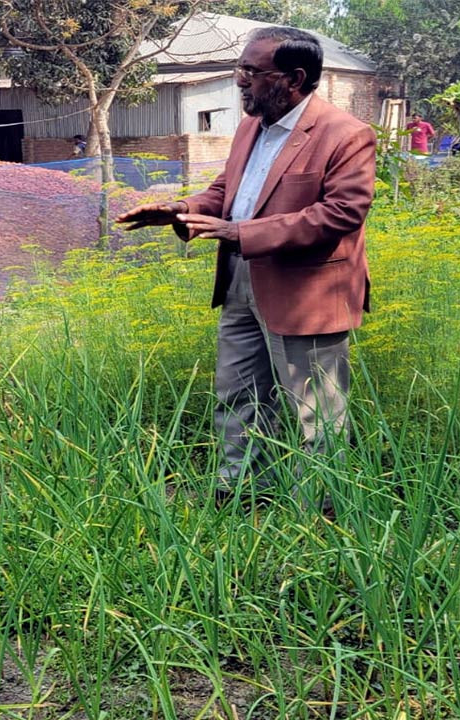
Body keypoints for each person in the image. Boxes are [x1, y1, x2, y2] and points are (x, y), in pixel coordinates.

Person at [115, 26, 376, 507]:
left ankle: (316, 510)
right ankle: (240, 493)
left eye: (252, 72)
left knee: (313, 409)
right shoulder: (250, 128)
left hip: (305, 291)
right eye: (242, 69)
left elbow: (342, 213)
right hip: (241, 281)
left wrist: (242, 233)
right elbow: (226, 193)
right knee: (238, 394)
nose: (240, 80)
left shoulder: (345, 135)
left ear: (294, 78)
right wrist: (180, 207)